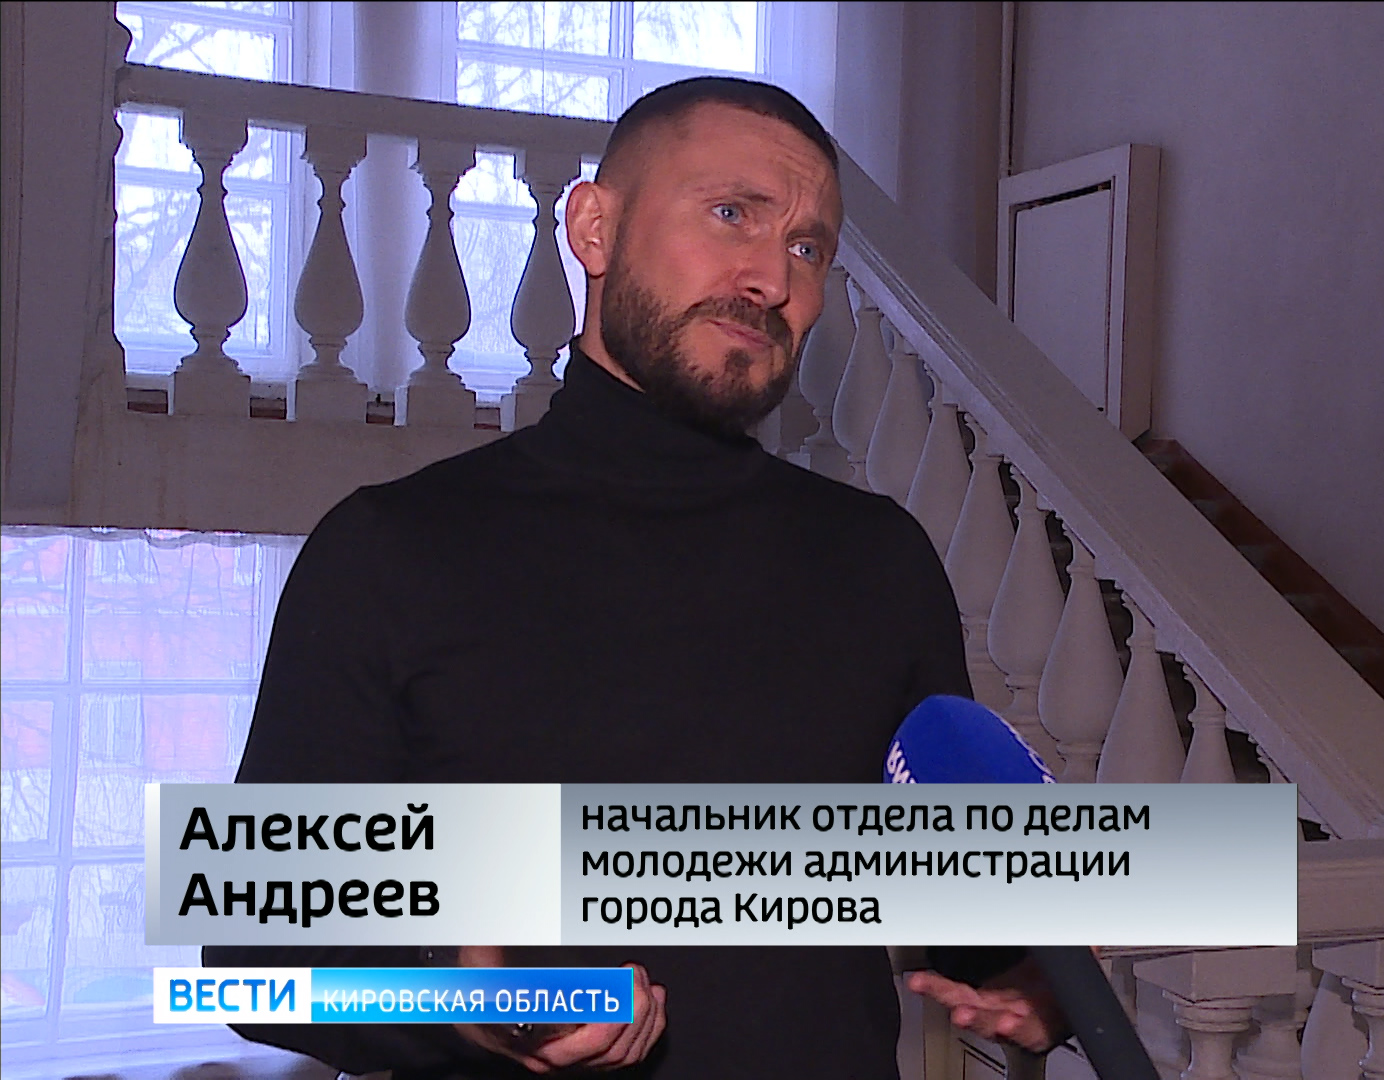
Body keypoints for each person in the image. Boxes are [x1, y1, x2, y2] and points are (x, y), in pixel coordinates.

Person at [205, 77, 1061, 1079]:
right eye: (731, 213)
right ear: (594, 229)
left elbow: (963, 914)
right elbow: (253, 964)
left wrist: (1039, 977)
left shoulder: (881, 561)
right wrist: (461, 1001)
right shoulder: (387, 550)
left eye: (807, 249)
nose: (770, 278)